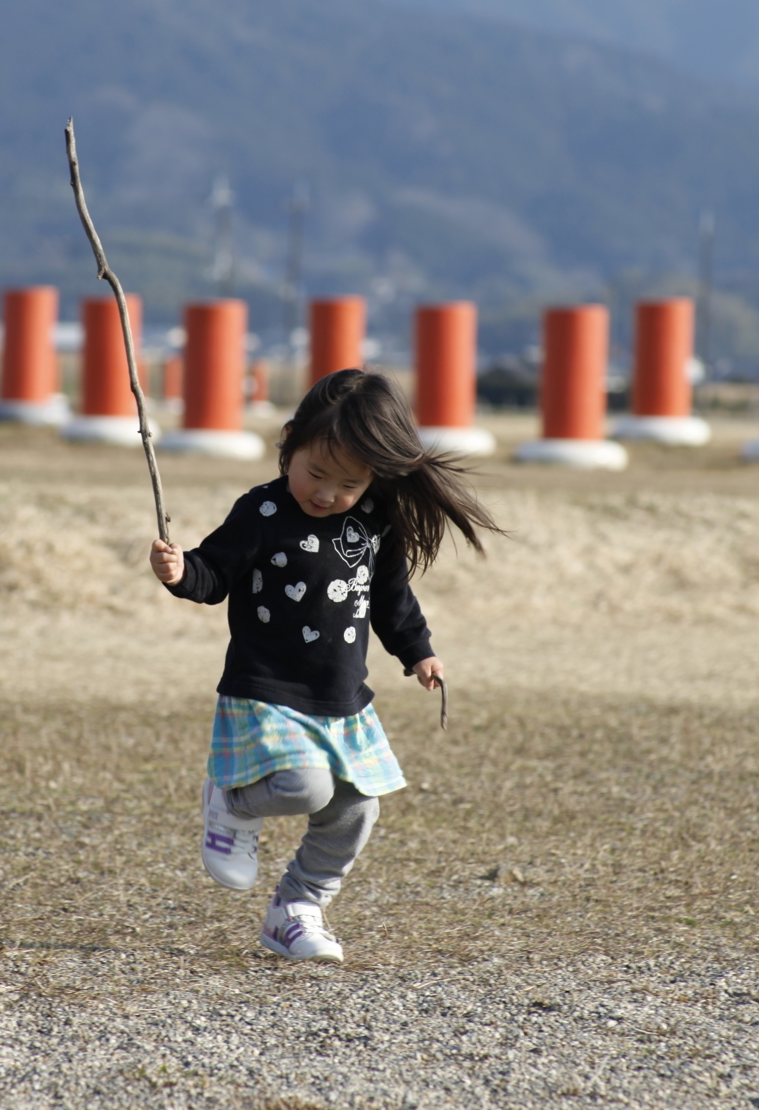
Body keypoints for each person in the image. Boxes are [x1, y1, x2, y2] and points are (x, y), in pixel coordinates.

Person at [150, 367, 499, 964]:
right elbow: (215, 573)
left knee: (358, 806)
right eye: (315, 473)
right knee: (304, 785)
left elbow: (391, 598)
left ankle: (297, 908)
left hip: (340, 696)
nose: (327, 493)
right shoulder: (261, 511)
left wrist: (419, 651)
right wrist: (182, 573)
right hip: (266, 688)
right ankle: (231, 800)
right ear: (290, 441)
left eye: (349, 484)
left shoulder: (372, 526)